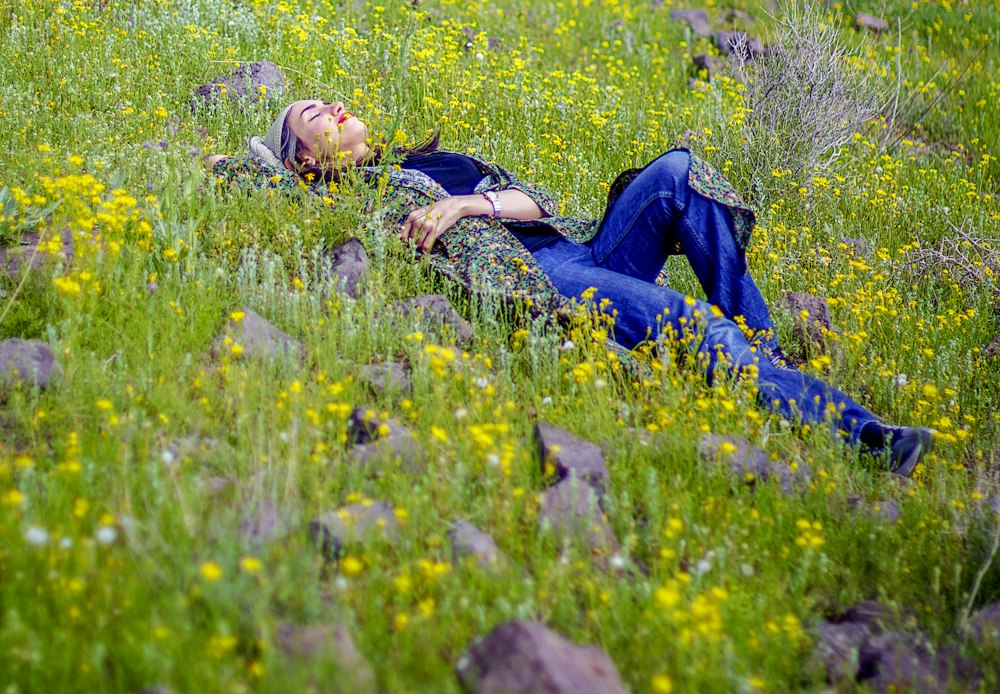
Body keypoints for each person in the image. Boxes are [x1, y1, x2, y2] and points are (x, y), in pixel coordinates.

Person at [210, 97, 933, 478]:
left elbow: (535, 202)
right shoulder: (350, 194)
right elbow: (241, 170)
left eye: (330, 101)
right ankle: (863, 436)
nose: (333, 107)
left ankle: (767, 357)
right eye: (313, 117)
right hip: (543, 279)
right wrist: (239, 158)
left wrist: (466, 203)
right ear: (307, 162)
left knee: (679, 172)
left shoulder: (437, 165)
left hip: (580, 248)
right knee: (686, 319)